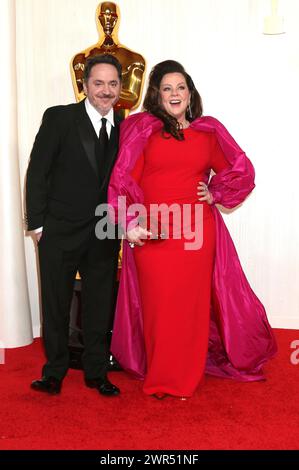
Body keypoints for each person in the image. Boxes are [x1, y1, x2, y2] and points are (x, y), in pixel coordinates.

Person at [108, 60, 277, 399]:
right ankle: (161, 375)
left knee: (190, 308)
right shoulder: (144, 129)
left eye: (180, 87)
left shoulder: (207, 132)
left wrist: (216, 193)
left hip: (196, 233)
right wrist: (128, 223)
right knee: (158, 305)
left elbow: (241, 169)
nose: (174, 94)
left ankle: (184, 376)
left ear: (190, 93)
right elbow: (124, 178)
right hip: (153, 230)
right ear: (156, 94)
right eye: (167, 88)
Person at [26, 54, 123, 396]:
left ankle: (97, 372)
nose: (105, 90)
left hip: (105, 232)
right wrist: (37, 225)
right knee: (56, 302)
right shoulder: (60, 118)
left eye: (112, 83)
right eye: (98, 83)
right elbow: (38, 171)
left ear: (121, 87)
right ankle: (54, 371)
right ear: (84, 86)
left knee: (99, 304)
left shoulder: (126, 124)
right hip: (60, 230)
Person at [71, 1, 146, 118]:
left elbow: (133, 99)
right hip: (88, 127)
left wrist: (97, 91)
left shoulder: (134, 59)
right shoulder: (81, 59)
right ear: (97, 19)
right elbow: (82, 96)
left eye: (112, 16)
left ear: (118, 19)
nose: (108, 21)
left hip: (122, 127)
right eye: (103, 16)